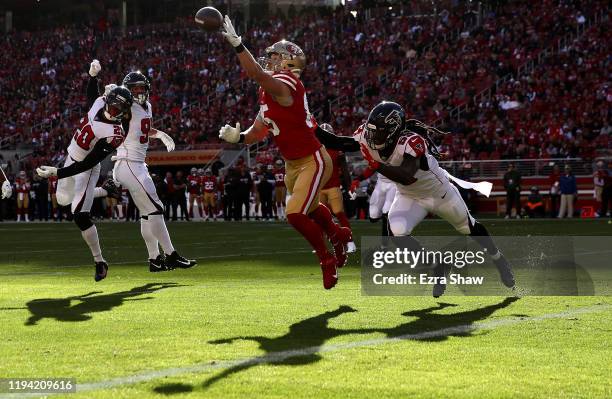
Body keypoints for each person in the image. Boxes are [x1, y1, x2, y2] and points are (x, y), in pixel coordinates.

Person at [314, 101, 515, 297]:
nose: (372, 134)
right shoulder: (367, 136)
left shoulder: (411, 142)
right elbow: (336, 142)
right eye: (372, 129)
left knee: (468, 227)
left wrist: (377, 166)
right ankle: (438, 266)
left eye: (379, 130)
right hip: (409, 196)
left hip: (439, 193)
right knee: (398, 231)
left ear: (393, 130)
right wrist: (309, 124)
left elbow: (407, 176)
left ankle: (499, 259)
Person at [217, 16, 351, 289]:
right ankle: (337, 233)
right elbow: (257, 131)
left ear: (289, 62)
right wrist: (238, 137)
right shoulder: (269, 93)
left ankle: (326, 259)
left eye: (275, 57)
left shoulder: (289, 84)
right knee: (310, 209)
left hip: (313, 159)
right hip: (292, 165)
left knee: (294, 214)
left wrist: (239, 46)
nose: (270, 61)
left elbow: (255, 73)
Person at [88, 62, 194, 271]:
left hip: (137, 165)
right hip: (128, 163)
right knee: (156, 208)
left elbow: (142, 128)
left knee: (148, 213)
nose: (138, 91)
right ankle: (171, 255)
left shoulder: (148, 106)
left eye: (141, 88)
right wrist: (101, 87)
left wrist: (160, 134)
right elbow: (103, 106)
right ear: (127, 89)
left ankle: (154, 259)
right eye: (134, 88)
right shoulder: (125, 106)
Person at [36, 85, 133, 281]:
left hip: (86, 169)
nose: (114, 113)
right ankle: (105, 190)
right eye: (112, 107)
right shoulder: (98, 103)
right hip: (71, 157)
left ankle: (99, 261)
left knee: (79, 215)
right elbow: (91, 97)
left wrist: (58, 172)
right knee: (63, 199)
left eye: (119, 111)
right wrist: (92, 77)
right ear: (106, 101)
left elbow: (88, 162)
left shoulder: (115, 133)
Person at [318, 123, 356, 252]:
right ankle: (322, 245)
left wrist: (350, 186)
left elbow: (345, 170)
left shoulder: (337, 150)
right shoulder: (315, 150)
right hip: (320, 188)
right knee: (320, 217)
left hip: (333, 186)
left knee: (339, 213)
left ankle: (350, 242)